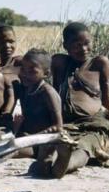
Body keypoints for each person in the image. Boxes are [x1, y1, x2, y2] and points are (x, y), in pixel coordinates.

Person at [50, 22, 109, 178]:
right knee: (56, 142)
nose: (83, 49)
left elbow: (108, 100)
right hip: (67, 124)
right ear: (66, 46)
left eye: (86, 43)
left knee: (85, 146)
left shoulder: (99, 63)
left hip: (94, 125)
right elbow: (55, 95)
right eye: (76, 45)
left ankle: (66, 164)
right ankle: (50, 161)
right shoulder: (60, 63)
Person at [11, 48, 71, 176]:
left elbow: (58, 126)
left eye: (32, 70)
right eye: (23, 69)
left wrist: (33, 138)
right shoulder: (24, 89)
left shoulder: (47, 93)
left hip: (43, 143)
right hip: (28, 137)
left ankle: (58, 160)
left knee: (12, 151)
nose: (26, 73)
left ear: (46, 73)